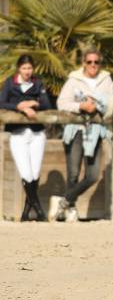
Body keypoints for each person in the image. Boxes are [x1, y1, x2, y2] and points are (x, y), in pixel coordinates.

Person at [54, 51, 113, 222]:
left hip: (95, 131)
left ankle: (65, 201)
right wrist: (81, 106)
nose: (93, 65)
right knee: (73, 173)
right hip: (75, 130)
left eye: (96, 62)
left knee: (93, 175)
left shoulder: (106, 79)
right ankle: (69, 210)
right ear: (83, 62)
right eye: (89, 61)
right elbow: (62, 103)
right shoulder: (73, 80)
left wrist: (99, 103)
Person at [1, 54, 54, 221]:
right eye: (24, 68)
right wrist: (19, 106)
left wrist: (34, 103)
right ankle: (39, 211)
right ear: (19, 68)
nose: (27, 71)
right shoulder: (10, 83)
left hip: (37, 133)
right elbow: (1, 103)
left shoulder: (38, 83)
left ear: (33, 69)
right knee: (26, 173)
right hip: (18, 133)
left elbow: (47, 104)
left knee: (35, 173)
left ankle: (26, 213)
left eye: (29, 68)